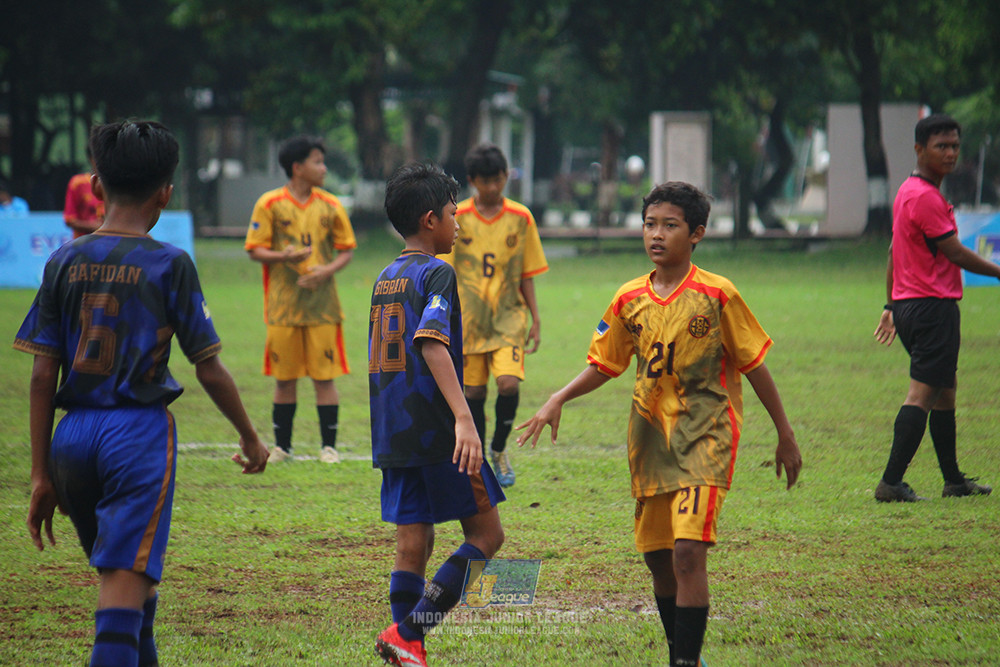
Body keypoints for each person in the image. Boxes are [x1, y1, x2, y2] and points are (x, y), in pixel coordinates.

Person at [13, 120, 269, 667]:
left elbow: (41, 377)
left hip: (70, 441)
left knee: (134, 593)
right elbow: (210, 368)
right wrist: (250, 437)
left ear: (96, 186)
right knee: (119, 599)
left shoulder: (63, 260)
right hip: (135, 437)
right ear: (166, 193)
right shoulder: (168, 263)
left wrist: (39, 474)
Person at [516, 182, 802, 667]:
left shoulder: (718, 294)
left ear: (697, 234)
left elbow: (754, 364)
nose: (657, 234)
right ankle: (681, 650)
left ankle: (684, 662)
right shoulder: (629, 298)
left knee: (688, 552)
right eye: (650, 223)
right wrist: (557, 398)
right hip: (650, 443)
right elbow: (605, 363)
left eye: (670, 225)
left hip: (707, 438)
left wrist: (785, 434)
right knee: (658, 558)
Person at [371, 162, 506, 667]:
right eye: (453, 214)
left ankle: (408, 652)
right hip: (434, 430)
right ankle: (409, 633)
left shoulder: (386, 276)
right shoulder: (437, 272)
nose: (459, 223)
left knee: (414, 543)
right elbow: (430, 343)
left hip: (393, 431)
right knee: (488, 535)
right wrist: (465, 419)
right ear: (430, 220)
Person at [872, 113, 996, 502]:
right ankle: (890, 482)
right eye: (941, 146)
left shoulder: (909, 191)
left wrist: (892, 304)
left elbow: (895, 251)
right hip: (932, 308)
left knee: (945, 391)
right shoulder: (925, 197)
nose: (950, 153)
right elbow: (955, 252)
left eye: (955, 146)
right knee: (922, 395)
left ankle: (954, 480)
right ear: (919, 149)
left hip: (911, 306)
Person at [440, 143, 548, 488]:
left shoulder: (521, 218)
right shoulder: (458, 216)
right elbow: (443, 271)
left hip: (508, 319)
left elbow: (527, 272)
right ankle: (481, 461)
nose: (491, 187)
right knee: (473, 394)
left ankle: (499, 449)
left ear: (505, 177)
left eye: (497, 180)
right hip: (468, 321)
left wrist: (535, 318)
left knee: (507, 383)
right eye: (484, 181)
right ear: (472, 181)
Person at [245, 135, 357, 463]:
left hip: (323, 307)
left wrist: (326, 271)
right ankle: (283, 447)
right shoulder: (269, 204)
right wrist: (284, 256)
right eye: (317, 162)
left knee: (325, 377)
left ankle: (329, 447)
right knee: (285, 379)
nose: (323, 168)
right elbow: (255, 250)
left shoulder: (331, 205)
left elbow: (347, 249)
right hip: (283, 307)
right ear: (297, 168)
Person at [63, 148, 105, 237]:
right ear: (91, 159)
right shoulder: (77, 183)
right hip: (84, 243)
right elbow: (69, 219)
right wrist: (95, 226)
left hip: (109, 244)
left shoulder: (115, 184)